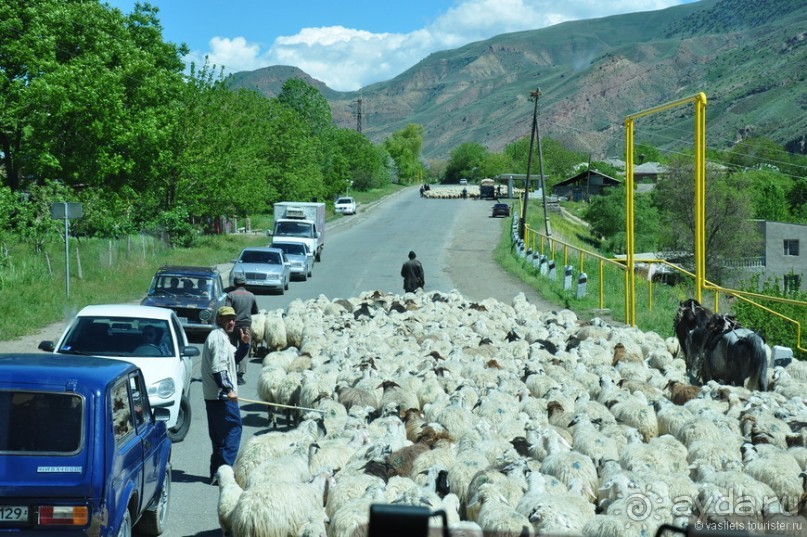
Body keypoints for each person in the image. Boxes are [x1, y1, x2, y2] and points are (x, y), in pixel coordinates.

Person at [201, 306, 250, 484]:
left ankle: (216, 473)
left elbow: (232, 359)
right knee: (234, 428)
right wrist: (228, 389)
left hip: (212, 396)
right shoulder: (220, 339)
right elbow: (219, 368)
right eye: (226, 318)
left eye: (233, 319)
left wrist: (244, 345)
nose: (231, 322)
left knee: (219, 436)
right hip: (221, 397)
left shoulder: (219, 337)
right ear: (219, 320)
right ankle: (225, 470)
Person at [226, 276, 258, 385]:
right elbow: (255, 311)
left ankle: (232, 371)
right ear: (245, 284)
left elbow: (227, 310)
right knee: (245, 349)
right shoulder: (251, 295)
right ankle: (240, 374)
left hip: (233, 325)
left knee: (232, 348)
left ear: (235, 284)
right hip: (246, 326)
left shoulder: (230, 295)